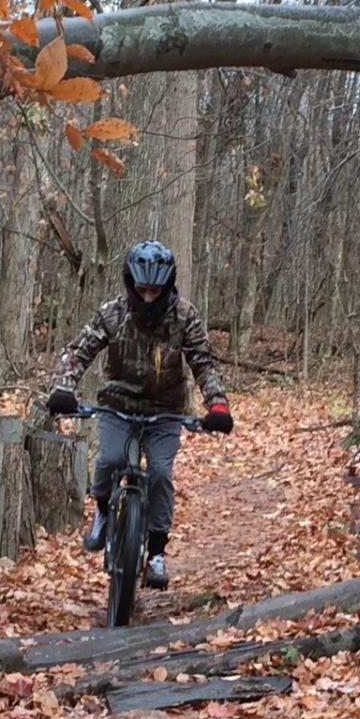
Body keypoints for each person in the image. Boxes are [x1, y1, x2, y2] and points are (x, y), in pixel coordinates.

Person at [45, 240, 233, 589]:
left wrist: (217, 404)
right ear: (131, 282)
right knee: (110, 459)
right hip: (118, 404)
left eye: (155, 291)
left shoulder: (185, 317)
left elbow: (203, 362)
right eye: (142, 289)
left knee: (160, 473)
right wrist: (63, 388)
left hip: (166, 411)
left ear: (167, 286)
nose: (148, 298)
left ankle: (157, 553)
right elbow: (79, 352)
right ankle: (102, 511)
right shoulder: (112, 313)